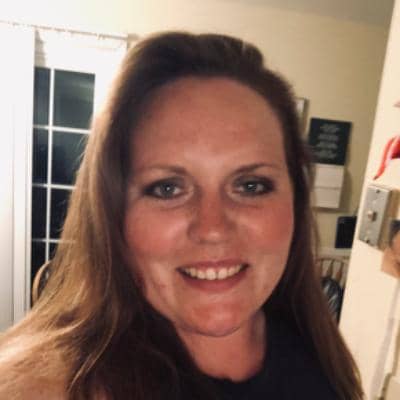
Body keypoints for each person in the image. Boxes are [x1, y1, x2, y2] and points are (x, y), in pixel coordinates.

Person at [0, 32, 363, 399]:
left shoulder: (313, 343)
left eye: (251, 186)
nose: (213, 229)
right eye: (167, 188)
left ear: (296, 198)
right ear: (112, 211)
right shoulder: (44, 387)